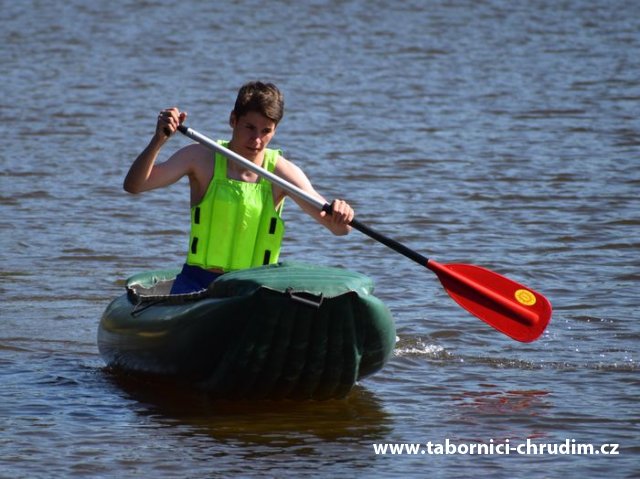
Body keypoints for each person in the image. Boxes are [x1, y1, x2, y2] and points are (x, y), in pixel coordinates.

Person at [124, 81, 355, 294]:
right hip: (198, 282)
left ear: (275, 130)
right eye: (249, 127)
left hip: (255, 288)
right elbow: (135, 185)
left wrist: (341, 214)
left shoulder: (283, 173)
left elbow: (339, 229)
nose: (256, 139)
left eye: (266, 131)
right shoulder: (200, 157)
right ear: (233, 120)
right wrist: (159, 140)